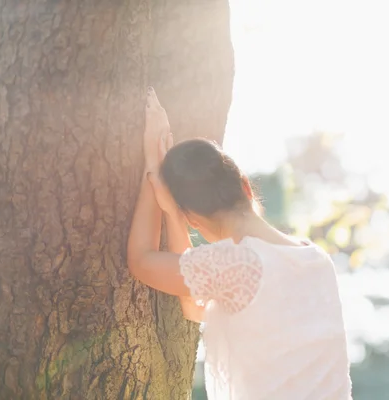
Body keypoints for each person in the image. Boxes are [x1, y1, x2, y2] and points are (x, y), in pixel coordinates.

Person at [127, 87, 352, 399]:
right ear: (245, 185)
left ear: (193, 218)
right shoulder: (316, 260)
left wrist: (152, 170)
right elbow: (194, 305)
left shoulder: (238, 264)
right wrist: (175, 215)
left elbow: (142, 261)